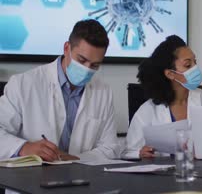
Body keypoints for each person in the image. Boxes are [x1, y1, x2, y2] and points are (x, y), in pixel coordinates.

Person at [0, 20, 121, 161]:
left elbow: (110, 147)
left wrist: (74, 159)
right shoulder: (23, 84)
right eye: (81, 60)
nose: (87, 69)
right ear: (66, 48)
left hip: (82, 175)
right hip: (32, 176)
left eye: (94, 65)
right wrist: (24, 148)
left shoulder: (103, 92)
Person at [123, 35, 202, 159]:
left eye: (195, 62)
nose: (196, 68)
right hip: (160, 176)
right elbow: (128, 152)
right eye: (188, 65)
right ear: (170, 74)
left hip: (200, 174)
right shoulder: (148, 110)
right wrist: (140, 154)